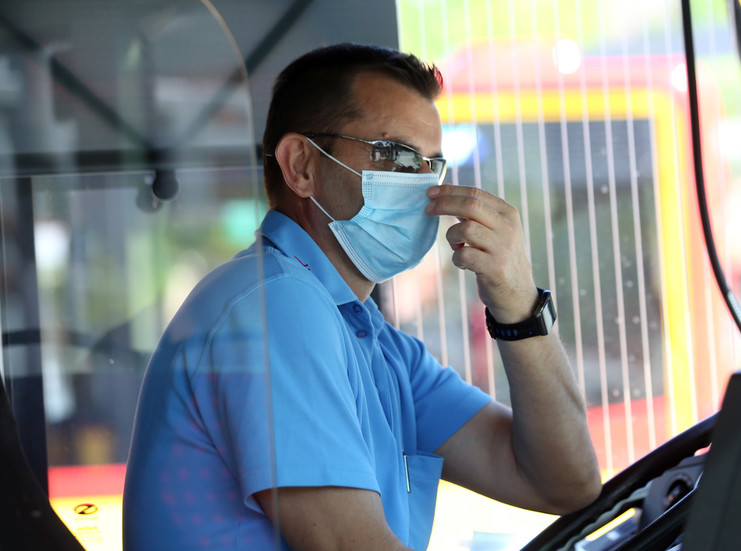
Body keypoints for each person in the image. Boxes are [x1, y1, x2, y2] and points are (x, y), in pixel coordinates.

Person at [122, 42, 601, 551]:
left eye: (432, 166)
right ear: (301, 165)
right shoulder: (275, 306)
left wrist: (518, 303)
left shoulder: (378, 346)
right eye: (396, 155)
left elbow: (563, 481)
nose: (424, 189)